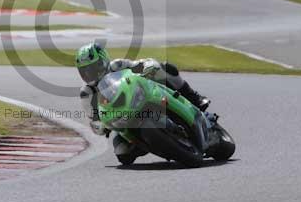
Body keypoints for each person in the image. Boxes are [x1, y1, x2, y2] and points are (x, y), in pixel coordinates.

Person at [75, 42, 211, 139]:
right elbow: (94, 121)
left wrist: (149, 66)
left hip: (141, 97)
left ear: (103, 61)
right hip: (123, 121)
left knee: (164, 69)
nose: (89, 74)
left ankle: (194, 98)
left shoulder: (117, 65)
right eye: (84, 71)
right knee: (122, 153)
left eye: (93, 68)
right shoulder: (87, 93)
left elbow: (141, 64)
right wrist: (102, 126)